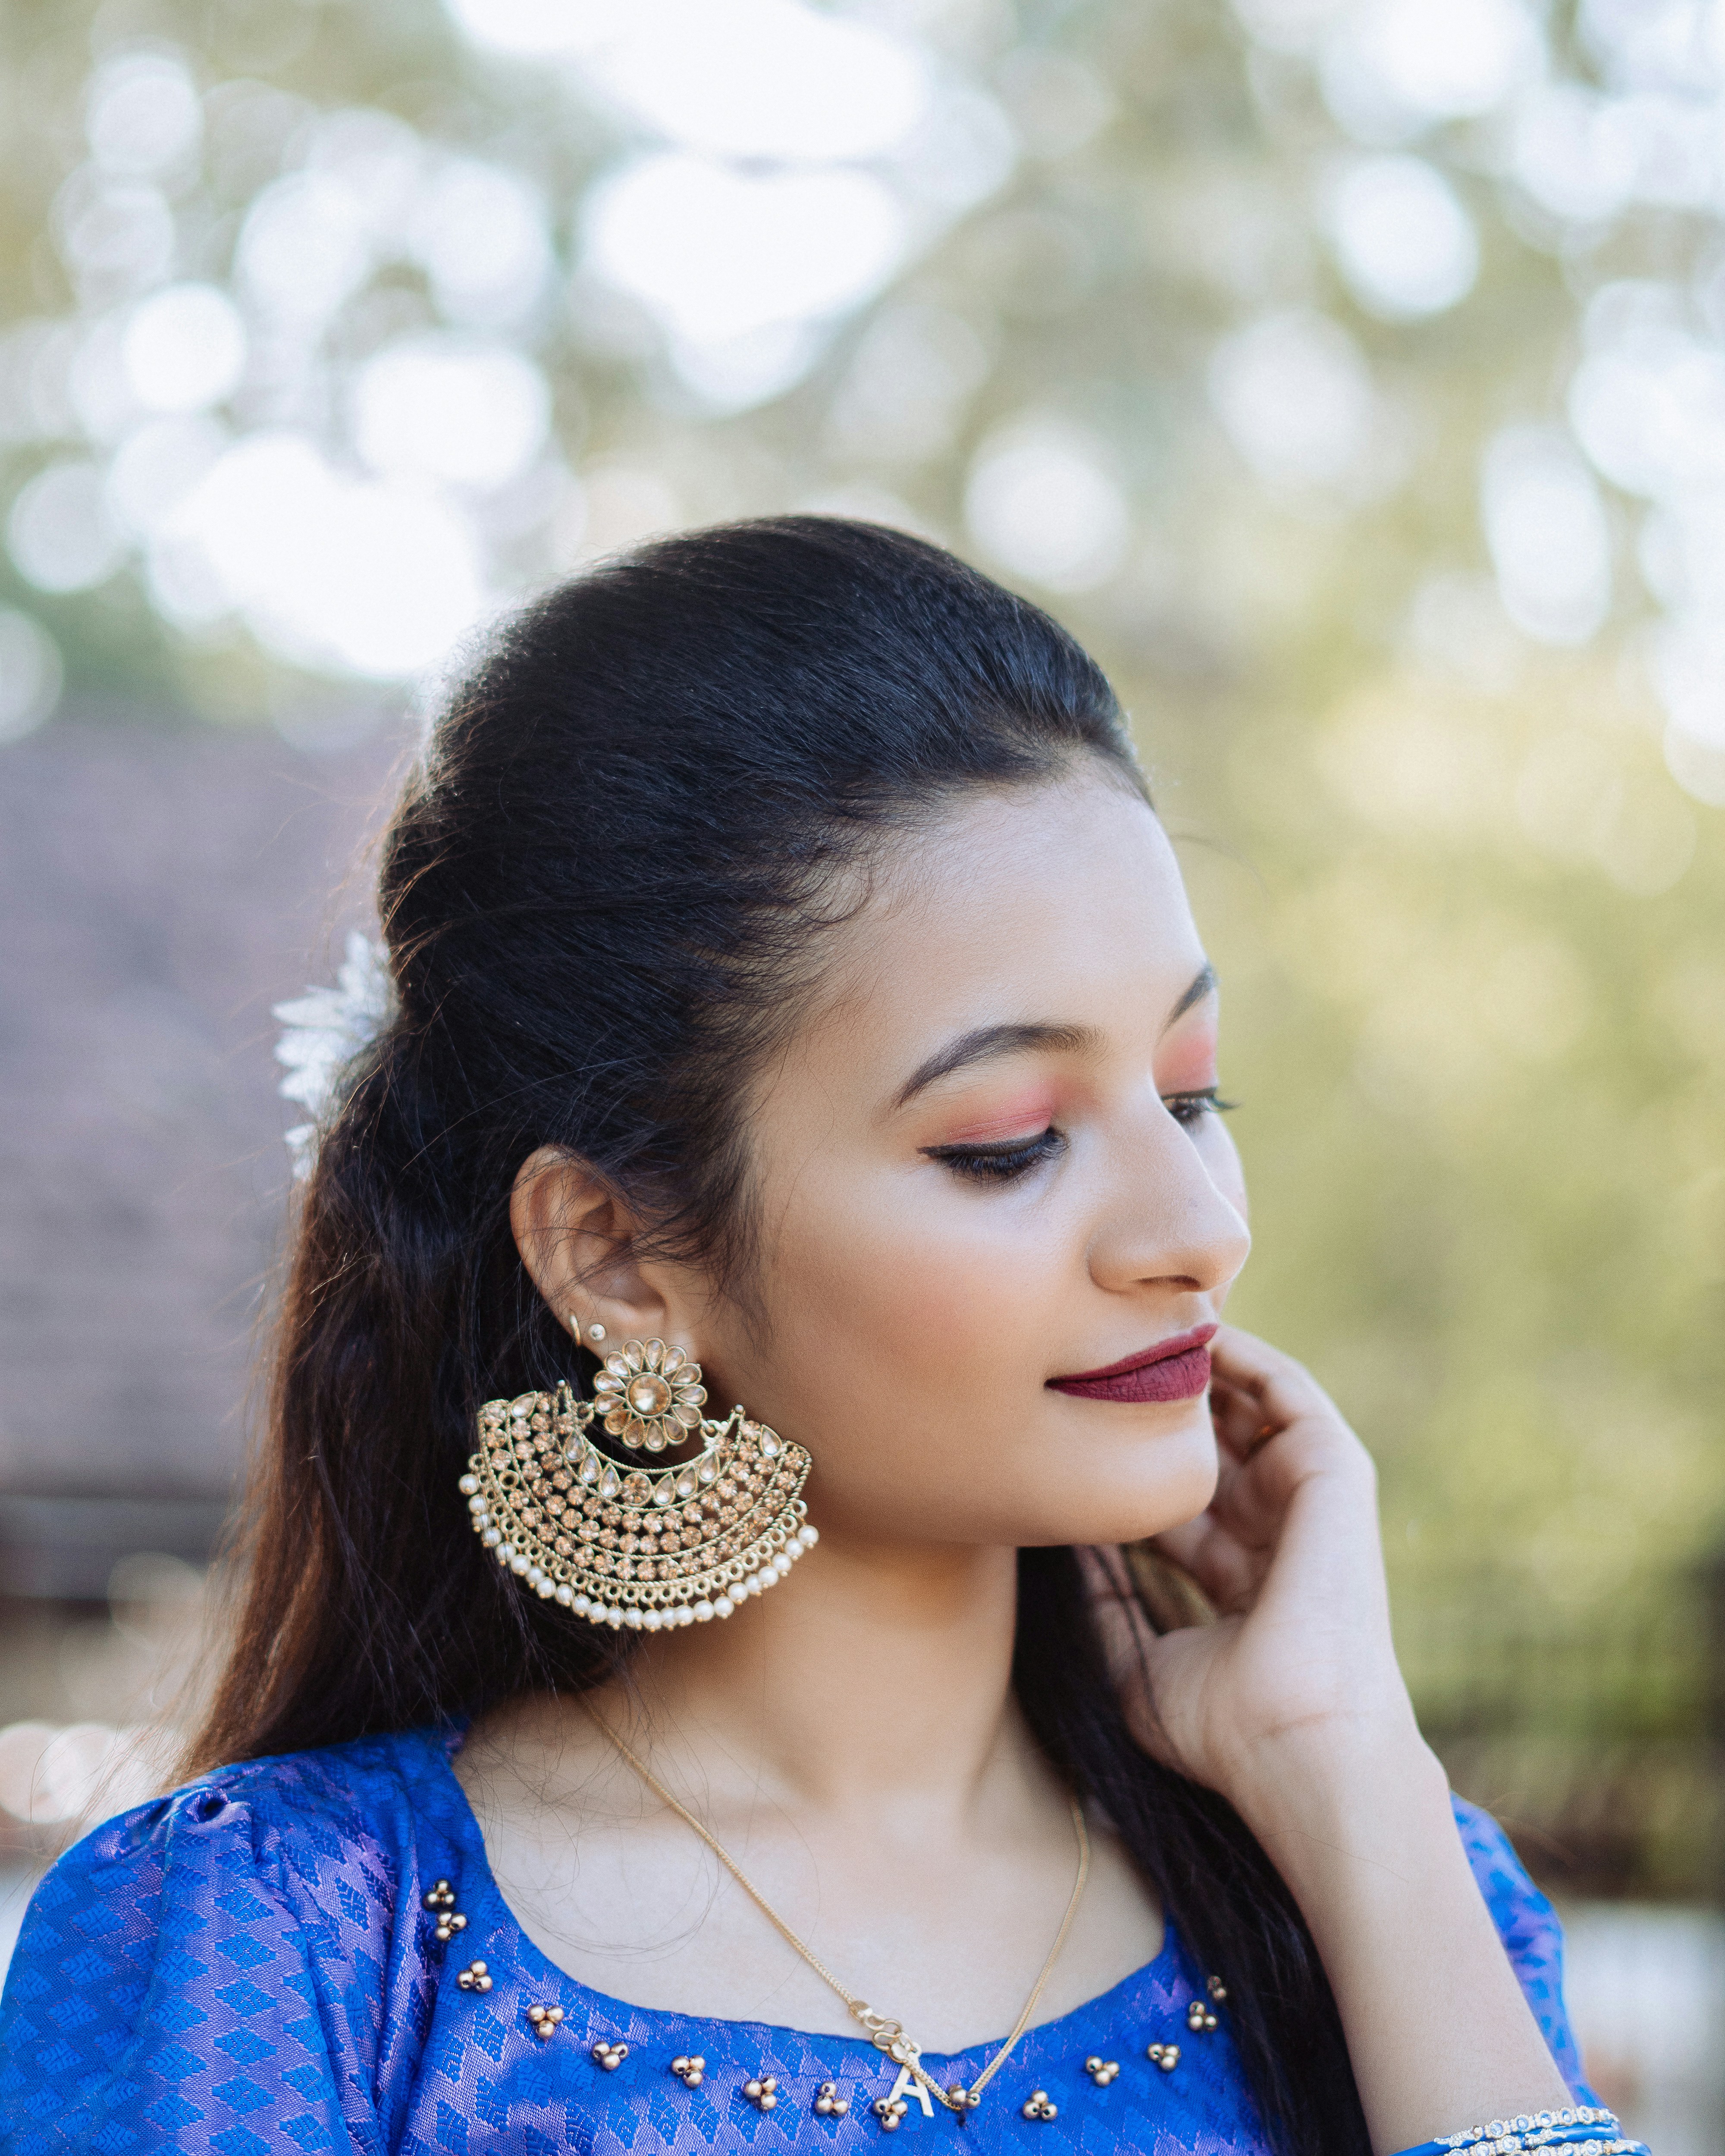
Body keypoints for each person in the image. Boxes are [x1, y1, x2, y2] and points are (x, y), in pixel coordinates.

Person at [0, 520, 1633, 2156]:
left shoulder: (1396, 1895)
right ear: (618, 1254)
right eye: (1009, 1139)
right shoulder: (279, 1948)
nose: (1203, 1227)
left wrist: (1346, 1777)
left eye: (1193, 1093)